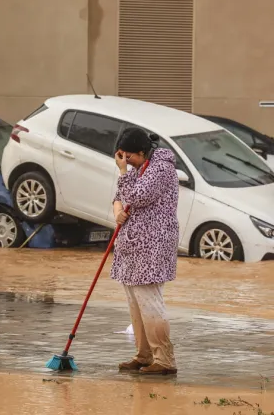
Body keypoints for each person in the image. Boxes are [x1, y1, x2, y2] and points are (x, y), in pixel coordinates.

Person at [110, 127, 179, 375]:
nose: (127, 162)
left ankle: (164, 359)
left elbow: (137, 196)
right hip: (131, 245)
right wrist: (117, 211)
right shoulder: (140, 169)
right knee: (135, 302)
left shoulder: (161, 168)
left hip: (153, 245)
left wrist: (122, 171)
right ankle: (143, 354)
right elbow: (119, 195)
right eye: (122, 158)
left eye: (129, 157)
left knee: (149, 301)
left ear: (142, 151)